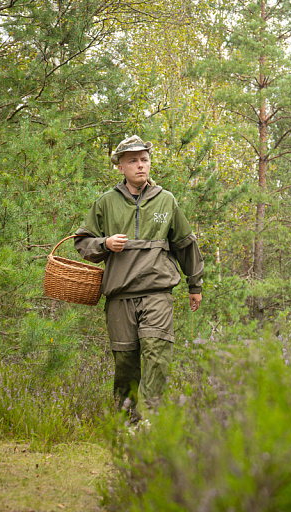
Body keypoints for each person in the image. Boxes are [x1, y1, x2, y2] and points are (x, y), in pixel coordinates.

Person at [74, 135, 204, 421]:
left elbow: (185, 243)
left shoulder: (166, 200)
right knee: (126, 362)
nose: (140, 166)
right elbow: (82, 243)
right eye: (132, 161)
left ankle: (149, 419)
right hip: (120, 295)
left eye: (144, 160)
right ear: (120, 166)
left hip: (157, 291)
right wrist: (104, 244)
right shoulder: (106, 203)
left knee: (157, 353)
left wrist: (195, 284)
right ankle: (126, 420)